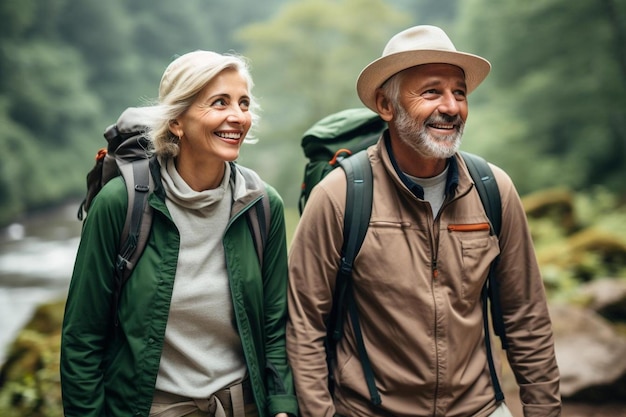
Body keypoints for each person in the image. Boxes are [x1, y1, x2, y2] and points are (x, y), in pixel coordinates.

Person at [287, 25, 561, 417]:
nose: (451, 107)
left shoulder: (492, 190)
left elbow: (527, 319)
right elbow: (304, 325)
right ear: (386, 105)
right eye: (432, 91)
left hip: (478, 408)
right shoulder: (340, 195)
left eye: (459, 92)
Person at [61, 50, 298, 417]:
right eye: (219, 102)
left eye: (243, 102)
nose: (238, 116)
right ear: (177, 121)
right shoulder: (120, 204)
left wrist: (282, 406)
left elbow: (274, 327)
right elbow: (82, 338)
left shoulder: (263, 206)